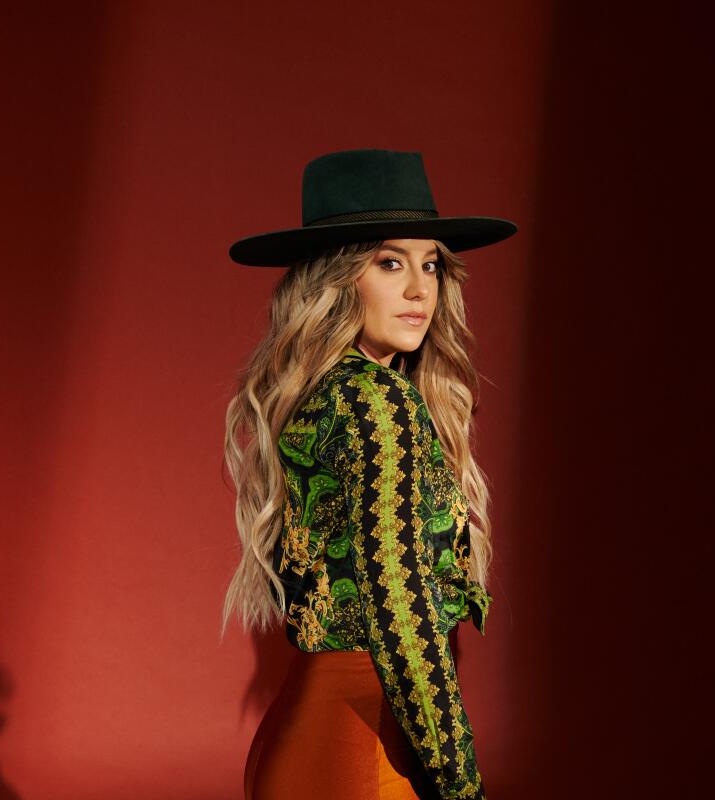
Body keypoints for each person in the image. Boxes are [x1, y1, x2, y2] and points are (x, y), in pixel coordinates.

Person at [221, 149, 516, 800]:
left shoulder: (322, 396)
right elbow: (405, 622)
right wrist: (462, 787)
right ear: (338, 277)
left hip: (305, 735)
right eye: (390, 263)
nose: (420, 288)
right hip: (365, 756)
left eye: (431, 264)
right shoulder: (379, 406)